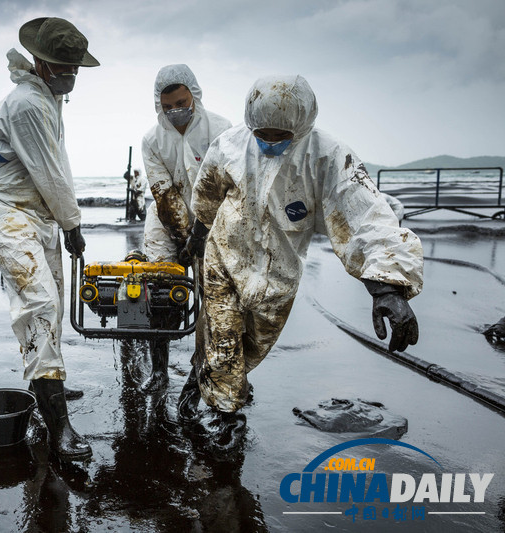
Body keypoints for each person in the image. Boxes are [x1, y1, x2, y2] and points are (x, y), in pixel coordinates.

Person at [185, 75, 424, 450]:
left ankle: (206, 376)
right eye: (262, 133)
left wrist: (385, 288)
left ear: (302, 126)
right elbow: (206, 195)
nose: (269, 142)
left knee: (251, 347)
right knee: (224, 339)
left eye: (280, 136)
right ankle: (225, 416)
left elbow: (364, 217)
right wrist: (197, 235)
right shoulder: (229, 146)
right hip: (224, 261)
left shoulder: (328, 158)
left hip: (278, 276)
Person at [0, 17, 99, 461]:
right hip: (4, 210)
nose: (71, 75)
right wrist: (73, 225)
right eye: (63, 66)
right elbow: (49, 171)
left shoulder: (49, 97)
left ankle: (48, 384)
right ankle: (60, 426)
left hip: (36, 210)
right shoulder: (27, 104)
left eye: (75, 67)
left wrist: (63, 221)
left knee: (55, 300)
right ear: (40, 62)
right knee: (39, 303)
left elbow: (56, 168)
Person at [140, 64, 232, 393]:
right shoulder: (152, 140)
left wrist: (200, 236)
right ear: (158, 105)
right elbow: (164, 193)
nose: (176, 111)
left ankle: (209, 370)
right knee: (162, 291)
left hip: (214, 221)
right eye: (167, 107)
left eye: (181, 103)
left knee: (217, 298)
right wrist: (184, 240)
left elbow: (227, 190)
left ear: (194, 95)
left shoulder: (222, 130)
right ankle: (160, 371)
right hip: (166, 221)